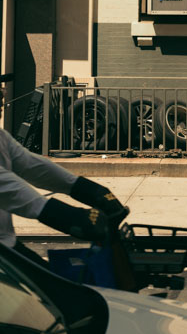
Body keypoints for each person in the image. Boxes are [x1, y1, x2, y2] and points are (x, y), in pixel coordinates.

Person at [0, 101, 129, 265]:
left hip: (7, 245)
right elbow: (20, 196)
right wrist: (76, 218)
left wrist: (95, 192)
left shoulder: (1, 138)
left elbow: (33, 166)